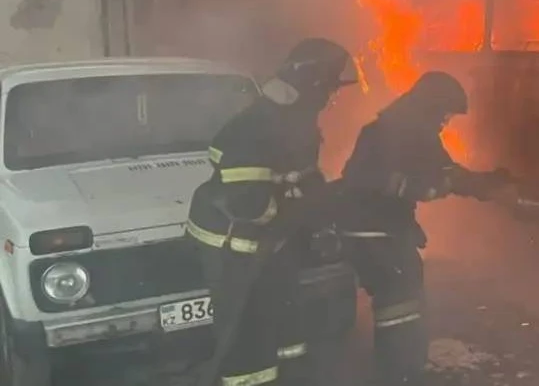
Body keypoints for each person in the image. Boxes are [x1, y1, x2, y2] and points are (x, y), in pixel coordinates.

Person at [186, 37, 356, 386]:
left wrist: (326, 203)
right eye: (329, 89)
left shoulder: (297, 121)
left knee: (285, 327)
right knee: (247, 340)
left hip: (272, 245)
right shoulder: (254, 128)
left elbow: (302, 177)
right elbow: (249, 204)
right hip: (235, 248)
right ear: (312, 85)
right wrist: (299, 210)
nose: (331, 98)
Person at [338, 70, 517, 385]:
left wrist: (489, 185)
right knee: (399, 304)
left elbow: (447, 173)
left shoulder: (406, 132)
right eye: (444, 113)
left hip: (380, 231)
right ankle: (398, 374)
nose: (445, 121)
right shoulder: (394, 133)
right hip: (375, 233)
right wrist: (418, 186)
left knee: (402, 300)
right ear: (430, 105)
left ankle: (400, 368)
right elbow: (363, 178)